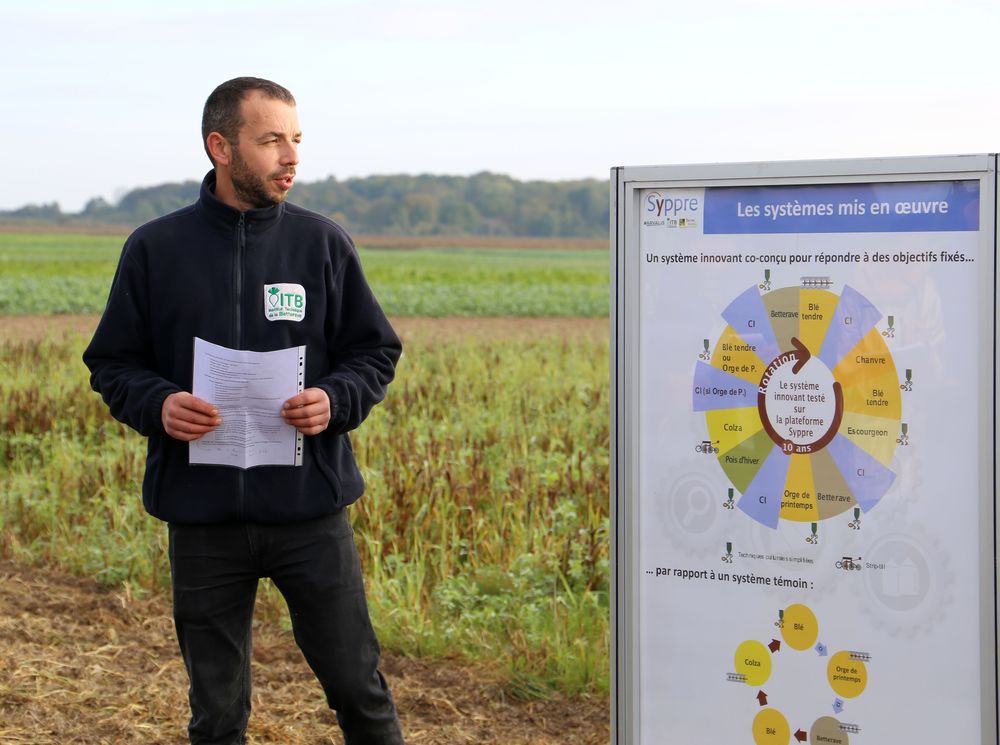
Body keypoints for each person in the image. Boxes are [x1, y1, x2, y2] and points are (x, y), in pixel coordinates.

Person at [83, 77, 405, 745]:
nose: (291, 157)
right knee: (218, 713)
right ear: (220, 147)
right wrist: (159, 402)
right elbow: (112, 363)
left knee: (358, 688)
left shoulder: (322, 244)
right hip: (202, 523)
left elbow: (374, 351)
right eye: (271, 141)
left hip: (309, 514)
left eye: (296, 140)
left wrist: (335, 398)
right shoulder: (155, 248)